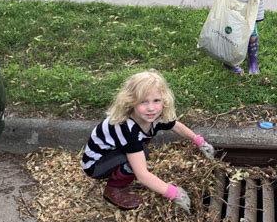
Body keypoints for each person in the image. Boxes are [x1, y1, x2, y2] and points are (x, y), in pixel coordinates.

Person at [81, 70, 215, 212]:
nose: (151, 108)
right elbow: (142, 175)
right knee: (140, 156)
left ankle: (123, 173)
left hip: (114, 154)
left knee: (140, 153)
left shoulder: (153, 117)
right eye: (143, 102)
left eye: (156, 100)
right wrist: (173, 193)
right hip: (96, 165)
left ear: (163, 100)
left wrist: (198, 140)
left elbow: (175, 125)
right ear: (131, 102)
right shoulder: (126, 128)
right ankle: (113, 189)